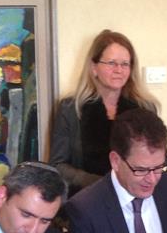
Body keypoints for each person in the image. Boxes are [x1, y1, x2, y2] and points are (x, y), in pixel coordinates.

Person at [50, 29, 160, 195]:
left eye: (125, 64)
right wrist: (100, 183)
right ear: (94, 67)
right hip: (86, 198)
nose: (119, 70)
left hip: (135, 198)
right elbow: (58, 166)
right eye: (112, 63)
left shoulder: (145, 107)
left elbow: (156, 158)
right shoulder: (71, 109)